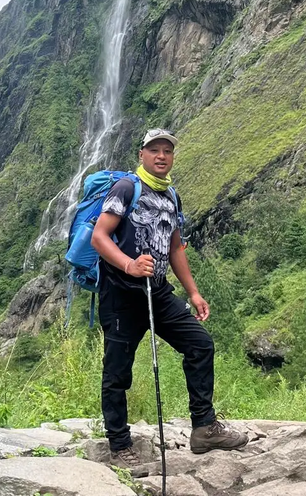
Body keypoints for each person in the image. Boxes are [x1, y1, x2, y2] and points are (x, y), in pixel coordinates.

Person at [91, 128, 249, 467]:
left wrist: (193, 291)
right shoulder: (125, 189)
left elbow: (176, 247)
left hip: (158, 291)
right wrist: (129, 264)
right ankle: (119, 444)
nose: (161, 156)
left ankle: (204, 428)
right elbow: (99, 237)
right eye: (154, 150)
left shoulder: (171, 196)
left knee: (200, 344)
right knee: (118, 372)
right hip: (121, 294)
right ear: (142, 155)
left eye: (167, 151)